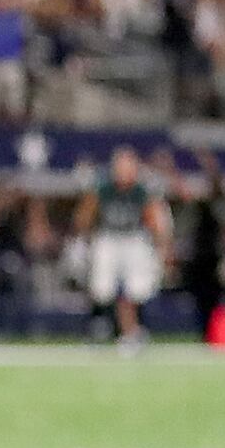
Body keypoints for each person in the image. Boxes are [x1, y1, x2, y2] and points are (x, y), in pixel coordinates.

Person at [80, 145, 171, 350]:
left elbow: (153, 217)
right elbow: (86, 214)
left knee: (136, 288)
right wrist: (85, 238)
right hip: (108, 236)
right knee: (101, 287)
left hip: (134, 237)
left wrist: (161, 245)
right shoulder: (102, 186)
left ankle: (129, 329)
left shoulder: (142, 189)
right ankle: (102, 325)